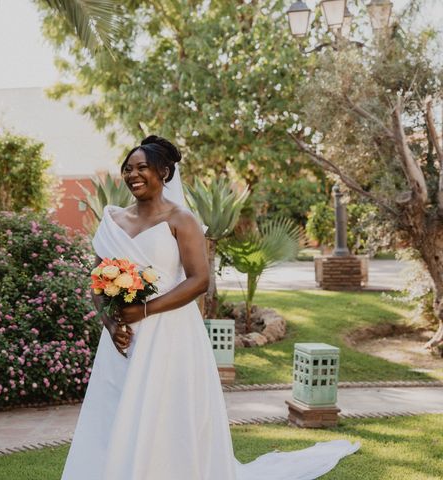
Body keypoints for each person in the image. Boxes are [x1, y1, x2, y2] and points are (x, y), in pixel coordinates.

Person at [61, 135, 359, 480]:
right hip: (121, 339)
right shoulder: (112, 220)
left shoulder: (181, 219)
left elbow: (198, 280)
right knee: (114, 407)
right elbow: (97, 280)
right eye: (128, 169)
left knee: (166, 410)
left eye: (142, 167)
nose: (133, 175)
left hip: (169, 332)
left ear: (165, 172)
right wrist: (112, 325)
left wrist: (142, 311)